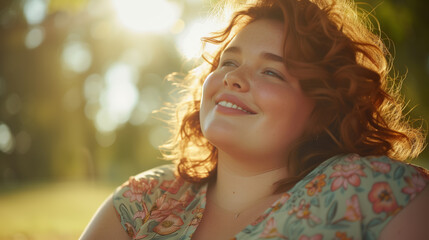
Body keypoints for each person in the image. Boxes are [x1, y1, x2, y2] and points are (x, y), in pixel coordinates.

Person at [80, 0, 429, 239]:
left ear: (322, 110)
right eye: (228, 63)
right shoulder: (141, 200)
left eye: (272, 72)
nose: (233, 78)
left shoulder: (377, 192)